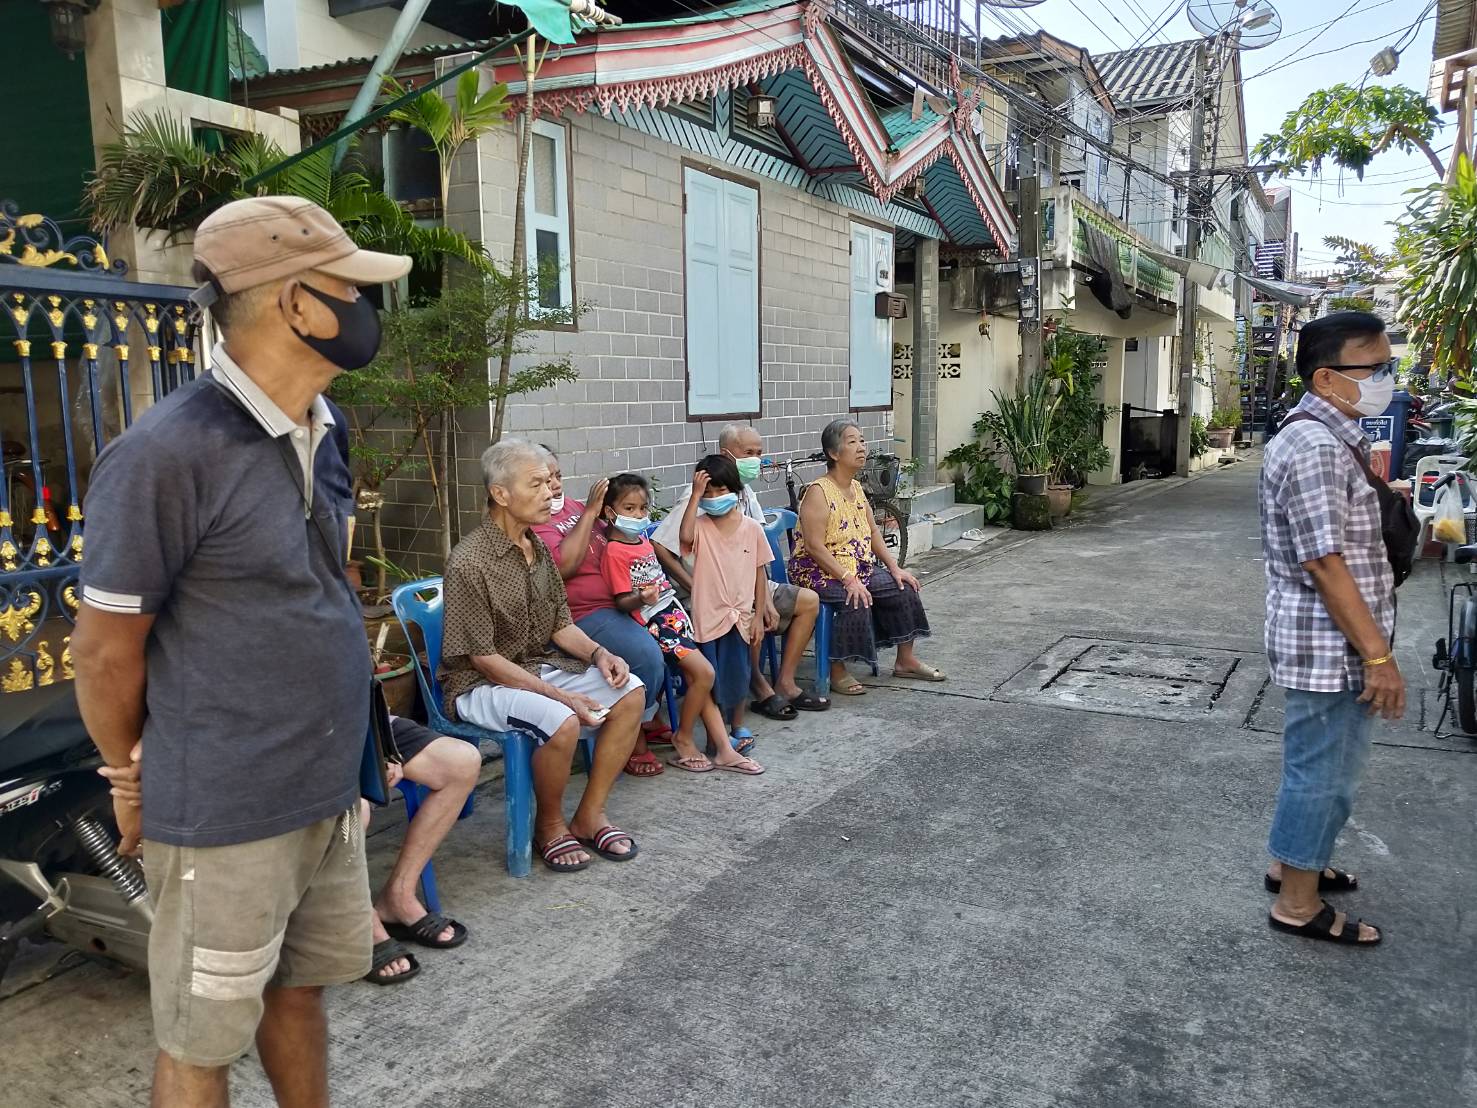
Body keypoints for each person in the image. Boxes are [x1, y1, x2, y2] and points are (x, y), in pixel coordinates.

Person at [71, 195, 411, 1107]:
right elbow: (103, 652)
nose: (364, 308)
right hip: (225, 811)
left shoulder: (324, 427)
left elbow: (312, 590)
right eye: (350, 288)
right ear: (297, 302)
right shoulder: (165, 453)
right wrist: (130, 776)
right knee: (201, 1039)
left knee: (298, 993)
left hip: (322, 791)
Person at [1259, 311, 1403, 947]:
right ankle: (1297, 903)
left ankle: (1294, 863)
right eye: (1375, 368)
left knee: (1316, 766)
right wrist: (1378, 658)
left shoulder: (1323, 435)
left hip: (1328, 639)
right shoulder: (1317, 447)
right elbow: (1323, 561)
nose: (1386, 380)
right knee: (1326, 776)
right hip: (1332, 645)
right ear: (1326, 378)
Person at [441, 440, 645, 872]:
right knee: (561, 719)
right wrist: (561, 695)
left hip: (533, 665)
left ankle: (589, 815)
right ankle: (549, 826)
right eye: (535, 484)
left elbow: (560, 624)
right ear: (501, 494)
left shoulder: (535, 547)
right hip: (479, 683)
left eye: (549, 482)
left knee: (630, 692)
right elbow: (483, 659)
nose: (549, 492)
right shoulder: (469, 562)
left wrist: (600, 653)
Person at [652, 425, 827, 729]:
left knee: (808, 601)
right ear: (727, 453)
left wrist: (766, 603)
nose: (755, 460)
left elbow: (756, 555)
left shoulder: (745, 492)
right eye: (748, 453)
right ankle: (756, 686)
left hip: (748, 582)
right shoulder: (699, 497)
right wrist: (693, 585)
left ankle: (784, 682)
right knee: (742, 623)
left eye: (759, 453)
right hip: (712, 595)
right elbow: (662, 545)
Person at [601, 473, 757, 773]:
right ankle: (683, 736)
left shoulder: (640, 539)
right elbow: (621, 601)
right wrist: (641, 598)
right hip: (656, 623)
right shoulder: (614, 551)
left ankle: (722, 748)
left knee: (699, 677)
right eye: (629, 509)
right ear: (610, 512)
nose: (638, 515)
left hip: (673, 615)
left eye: (642, 508)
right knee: (704, 674)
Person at [534, 450, 670, 776]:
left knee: (675, 638)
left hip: (623, 600)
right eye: (545, 480)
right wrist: (591, 511)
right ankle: (632, 735)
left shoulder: (573, 507)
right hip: (584, 613)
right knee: (646, 655)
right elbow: (565, 566)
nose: (555, 485)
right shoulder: (538, 523)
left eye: (558, 476)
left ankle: (644, 717)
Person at [786, 420, 943, 694]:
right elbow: (813, 547)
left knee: (904, 588)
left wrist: (894, 567)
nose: (861, 447)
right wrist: (848, 579)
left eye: (862, 441)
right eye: (852, 442)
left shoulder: (856, 488)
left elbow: (872, 531)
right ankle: (837, 670)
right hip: (817, 570)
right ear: (833, 453)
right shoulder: (818, 492)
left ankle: (905, 661)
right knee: (855, 598)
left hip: (856, 566)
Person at [362, 717, 481, 985]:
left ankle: (398, 895)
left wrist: (380, 746)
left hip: (361, 725)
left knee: (461, 763)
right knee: (354, 810)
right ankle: (361, 922)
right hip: (301, 745)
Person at [677, 455, 771, 775]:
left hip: (740, 617)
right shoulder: (700, 527)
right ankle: (716, 740)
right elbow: (684, 537)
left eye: (721, 490)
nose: (715, 498)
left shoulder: (752, 529)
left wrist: (758, 614)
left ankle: (736, 728)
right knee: (711, 680)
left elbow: (760, 572)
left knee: (738, 675)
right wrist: (694, 495)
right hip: (708, 616)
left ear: (735, 490)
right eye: (708, 493)